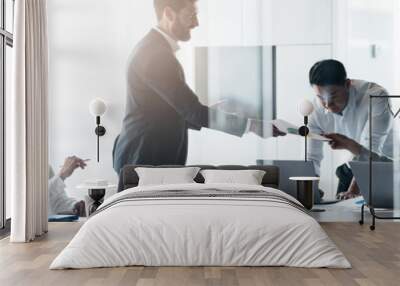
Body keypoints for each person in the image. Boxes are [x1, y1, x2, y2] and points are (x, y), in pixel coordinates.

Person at [113, 0, 284, 174]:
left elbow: (163, 113)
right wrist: (253, 126)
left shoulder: (155, 49)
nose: (196, 23)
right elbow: (192, 110)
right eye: (191, 15)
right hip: (143, 159)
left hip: (146, 157)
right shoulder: (156, 54)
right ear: (169, 14)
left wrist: (204, 113)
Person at [307, 59, 394, 200]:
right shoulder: (315, 108)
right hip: (351, 168)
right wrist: (310, 190)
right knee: (338, 213)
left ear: (347, 84)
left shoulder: (376, 96)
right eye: (320, 97)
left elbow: (372, 148)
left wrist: (353, 190)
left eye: (333, 96)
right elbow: (312, 157)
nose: (328, 104)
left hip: (386, 167)